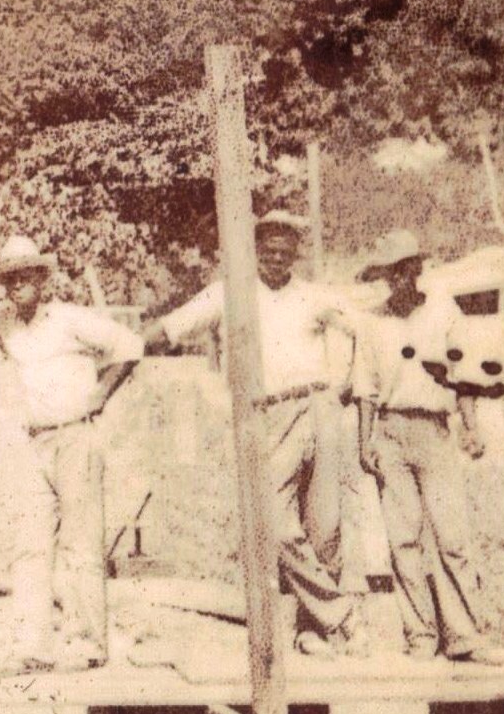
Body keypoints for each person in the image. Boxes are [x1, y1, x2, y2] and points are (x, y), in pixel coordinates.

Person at [146, 213, 362, 655]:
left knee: (326, 527)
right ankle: (339, 610)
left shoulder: (313, 296)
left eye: (286, 250)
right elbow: (170, 328)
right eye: (269, 249)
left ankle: (313, 631)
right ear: (255, 248)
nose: (277, 258)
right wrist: (120, 348)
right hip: (265, 413)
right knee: (271, 523)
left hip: (319, 406)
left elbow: (366, 331)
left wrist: (349, 384)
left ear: (296, 253)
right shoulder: (230, 293)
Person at [0, 236, 144, 673]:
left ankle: (86, 644)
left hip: (74, 437)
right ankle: (32, 647)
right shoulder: (5, 322)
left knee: (80, 543)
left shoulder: (70, 319)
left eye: (27, 276)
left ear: (43, 281)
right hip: (34, 441)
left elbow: (131, 346)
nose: (18, 285)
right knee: (29, 545)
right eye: (10, 279)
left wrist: (101, 393)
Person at [351, 230, 500, 666]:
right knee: (403, 538)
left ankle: (464, 636)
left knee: (451, 535)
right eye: (390, 273)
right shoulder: (372, 321)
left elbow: (463, 373)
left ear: (417, 271)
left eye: (406, 270)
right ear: (382, 277)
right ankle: (420, 634)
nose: (399, 280)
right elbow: (365, 388)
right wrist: (365, 444)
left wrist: (471, 427)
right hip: (391, 434)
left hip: (434, 431)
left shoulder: (443, 312)